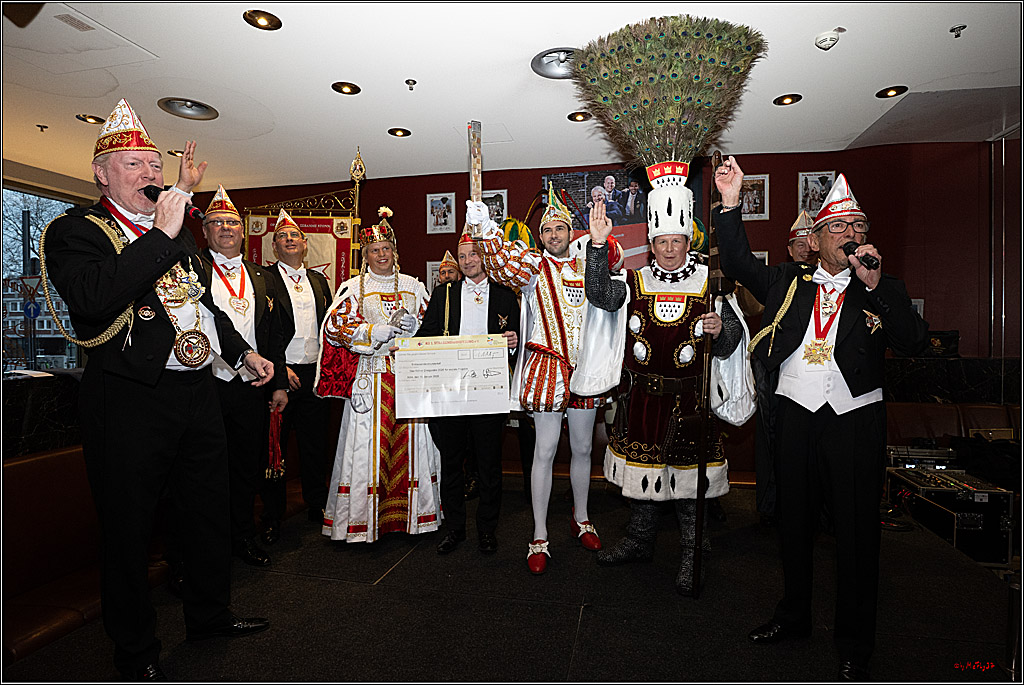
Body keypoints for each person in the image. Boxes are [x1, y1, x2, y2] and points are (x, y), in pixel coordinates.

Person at [41, 99, 272, 681]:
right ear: (103, 174)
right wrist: (166, 230)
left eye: (153, 163)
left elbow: (206, 307)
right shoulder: (75, 231)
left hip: (197, 393)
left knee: (207, 510)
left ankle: (210, 615)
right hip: (128, 397)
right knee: (129, 526)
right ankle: (135, 649)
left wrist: (243, 353)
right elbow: (94, 299)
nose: (149, 173)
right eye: (135, 164)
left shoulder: (176, 240)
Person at [714, 157, 928, 680]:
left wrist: (875, 285)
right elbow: (740, 263)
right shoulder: (789, 279)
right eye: (839, 227)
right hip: (795, 416)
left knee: (857, 534)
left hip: (854, 421)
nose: (850, 235)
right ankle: (794, 617)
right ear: (817, 239)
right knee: (794, 524)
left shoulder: (883, 287)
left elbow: (917, 343)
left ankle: (855, 642)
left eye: (858, 227)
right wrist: (730, 203)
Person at [584, 170, 754, 596]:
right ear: (653, 243)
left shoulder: (711, 285)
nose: (670, 249)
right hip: (642, 400)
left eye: (677, 241)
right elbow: (599, 295)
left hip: (690, 405)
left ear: (687, 241)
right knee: (641, 478)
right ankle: (640, 542)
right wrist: (598, 245)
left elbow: (731, 341)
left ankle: (693, 551)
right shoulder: (636, 281)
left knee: (688, 487)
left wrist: (721, 328)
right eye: (662, 242)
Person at [472, 184, 625, 574]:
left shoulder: (584, 264)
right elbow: (500, 261)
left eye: (559, 228)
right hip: (547, 365)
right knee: (544, 450)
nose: (553, 235)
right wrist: (483, 228)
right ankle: (539, 534)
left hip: (585, 369)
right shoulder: (532, 267)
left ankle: (582, 516)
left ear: (571, 231)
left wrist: (599, 241)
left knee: (583, 449)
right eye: (547, 230)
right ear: (540, 236)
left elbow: (614, 272)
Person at [315, 207, 442, 542]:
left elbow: (432, 328)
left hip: (408, 379)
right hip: (371, 378)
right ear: (366, 254)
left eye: (386, 248)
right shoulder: (353, 287)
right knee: (367, 449)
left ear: (395, 252)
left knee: (413, 446)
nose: (381, 254)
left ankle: (414, 516)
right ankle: (363, 523)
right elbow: (334, 327)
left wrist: (414, 326)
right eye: (375, 249)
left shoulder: (414, 287)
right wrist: (373, 331)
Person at [198, 186, 287, 567]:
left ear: (243, 230)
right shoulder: (193, 269)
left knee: (247, 468)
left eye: (232, 222)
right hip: (205, 385)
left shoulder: (262, 275)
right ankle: (199, 552)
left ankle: (242, 538)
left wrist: (280, 380)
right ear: (205, 231)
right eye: (216, 222)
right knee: (202, 472)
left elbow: (276, 333)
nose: (225, 228)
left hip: (252, 386)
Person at [417, 234, 520, 555]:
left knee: (489, 465)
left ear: (484, 256)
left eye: (473, 255)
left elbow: (519, 340)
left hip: (489, 392)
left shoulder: (505, 295)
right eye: (462, 257)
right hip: (451, 392)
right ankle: (455, 529)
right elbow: (426, 334)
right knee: (451, 465)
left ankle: (487, 530)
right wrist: (406, 347)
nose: (467, 261)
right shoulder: (444, 293)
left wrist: (514, 342)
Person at [260, 209, 333, 544]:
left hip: (314, 373)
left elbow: (329, 328)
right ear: (275, 247)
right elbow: (261, 331)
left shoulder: (319, 281)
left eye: (295, 236)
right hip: (281, 373)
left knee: (315, 444)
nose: (289, 240)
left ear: (305, 245)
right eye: (282, 237)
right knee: (274, 450)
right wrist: (278, 368)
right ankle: (272, 516)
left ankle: (318, 505)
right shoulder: (264, 279)